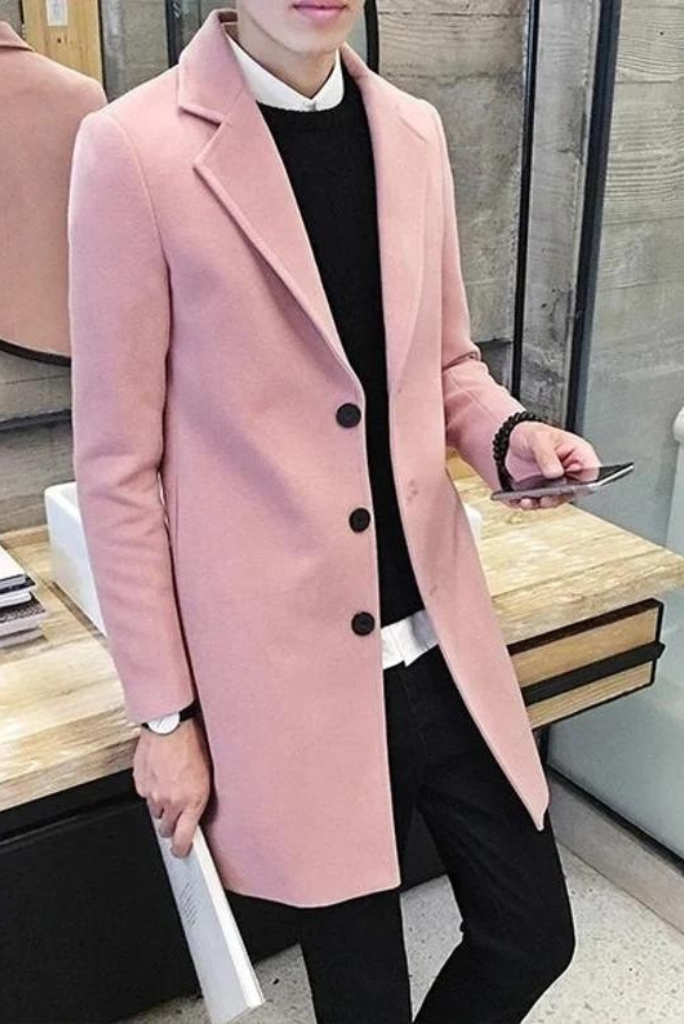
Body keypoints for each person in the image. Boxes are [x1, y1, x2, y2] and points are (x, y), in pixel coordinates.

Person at [69, 3, 598, 1020]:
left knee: (533, 932)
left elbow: (446, 363)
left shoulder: (412, 129)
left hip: (441, 643)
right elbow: (118, 470)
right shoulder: (130, 150)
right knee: (363, 998)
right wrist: (165, 716)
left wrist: (510, 435)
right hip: (285, 677)